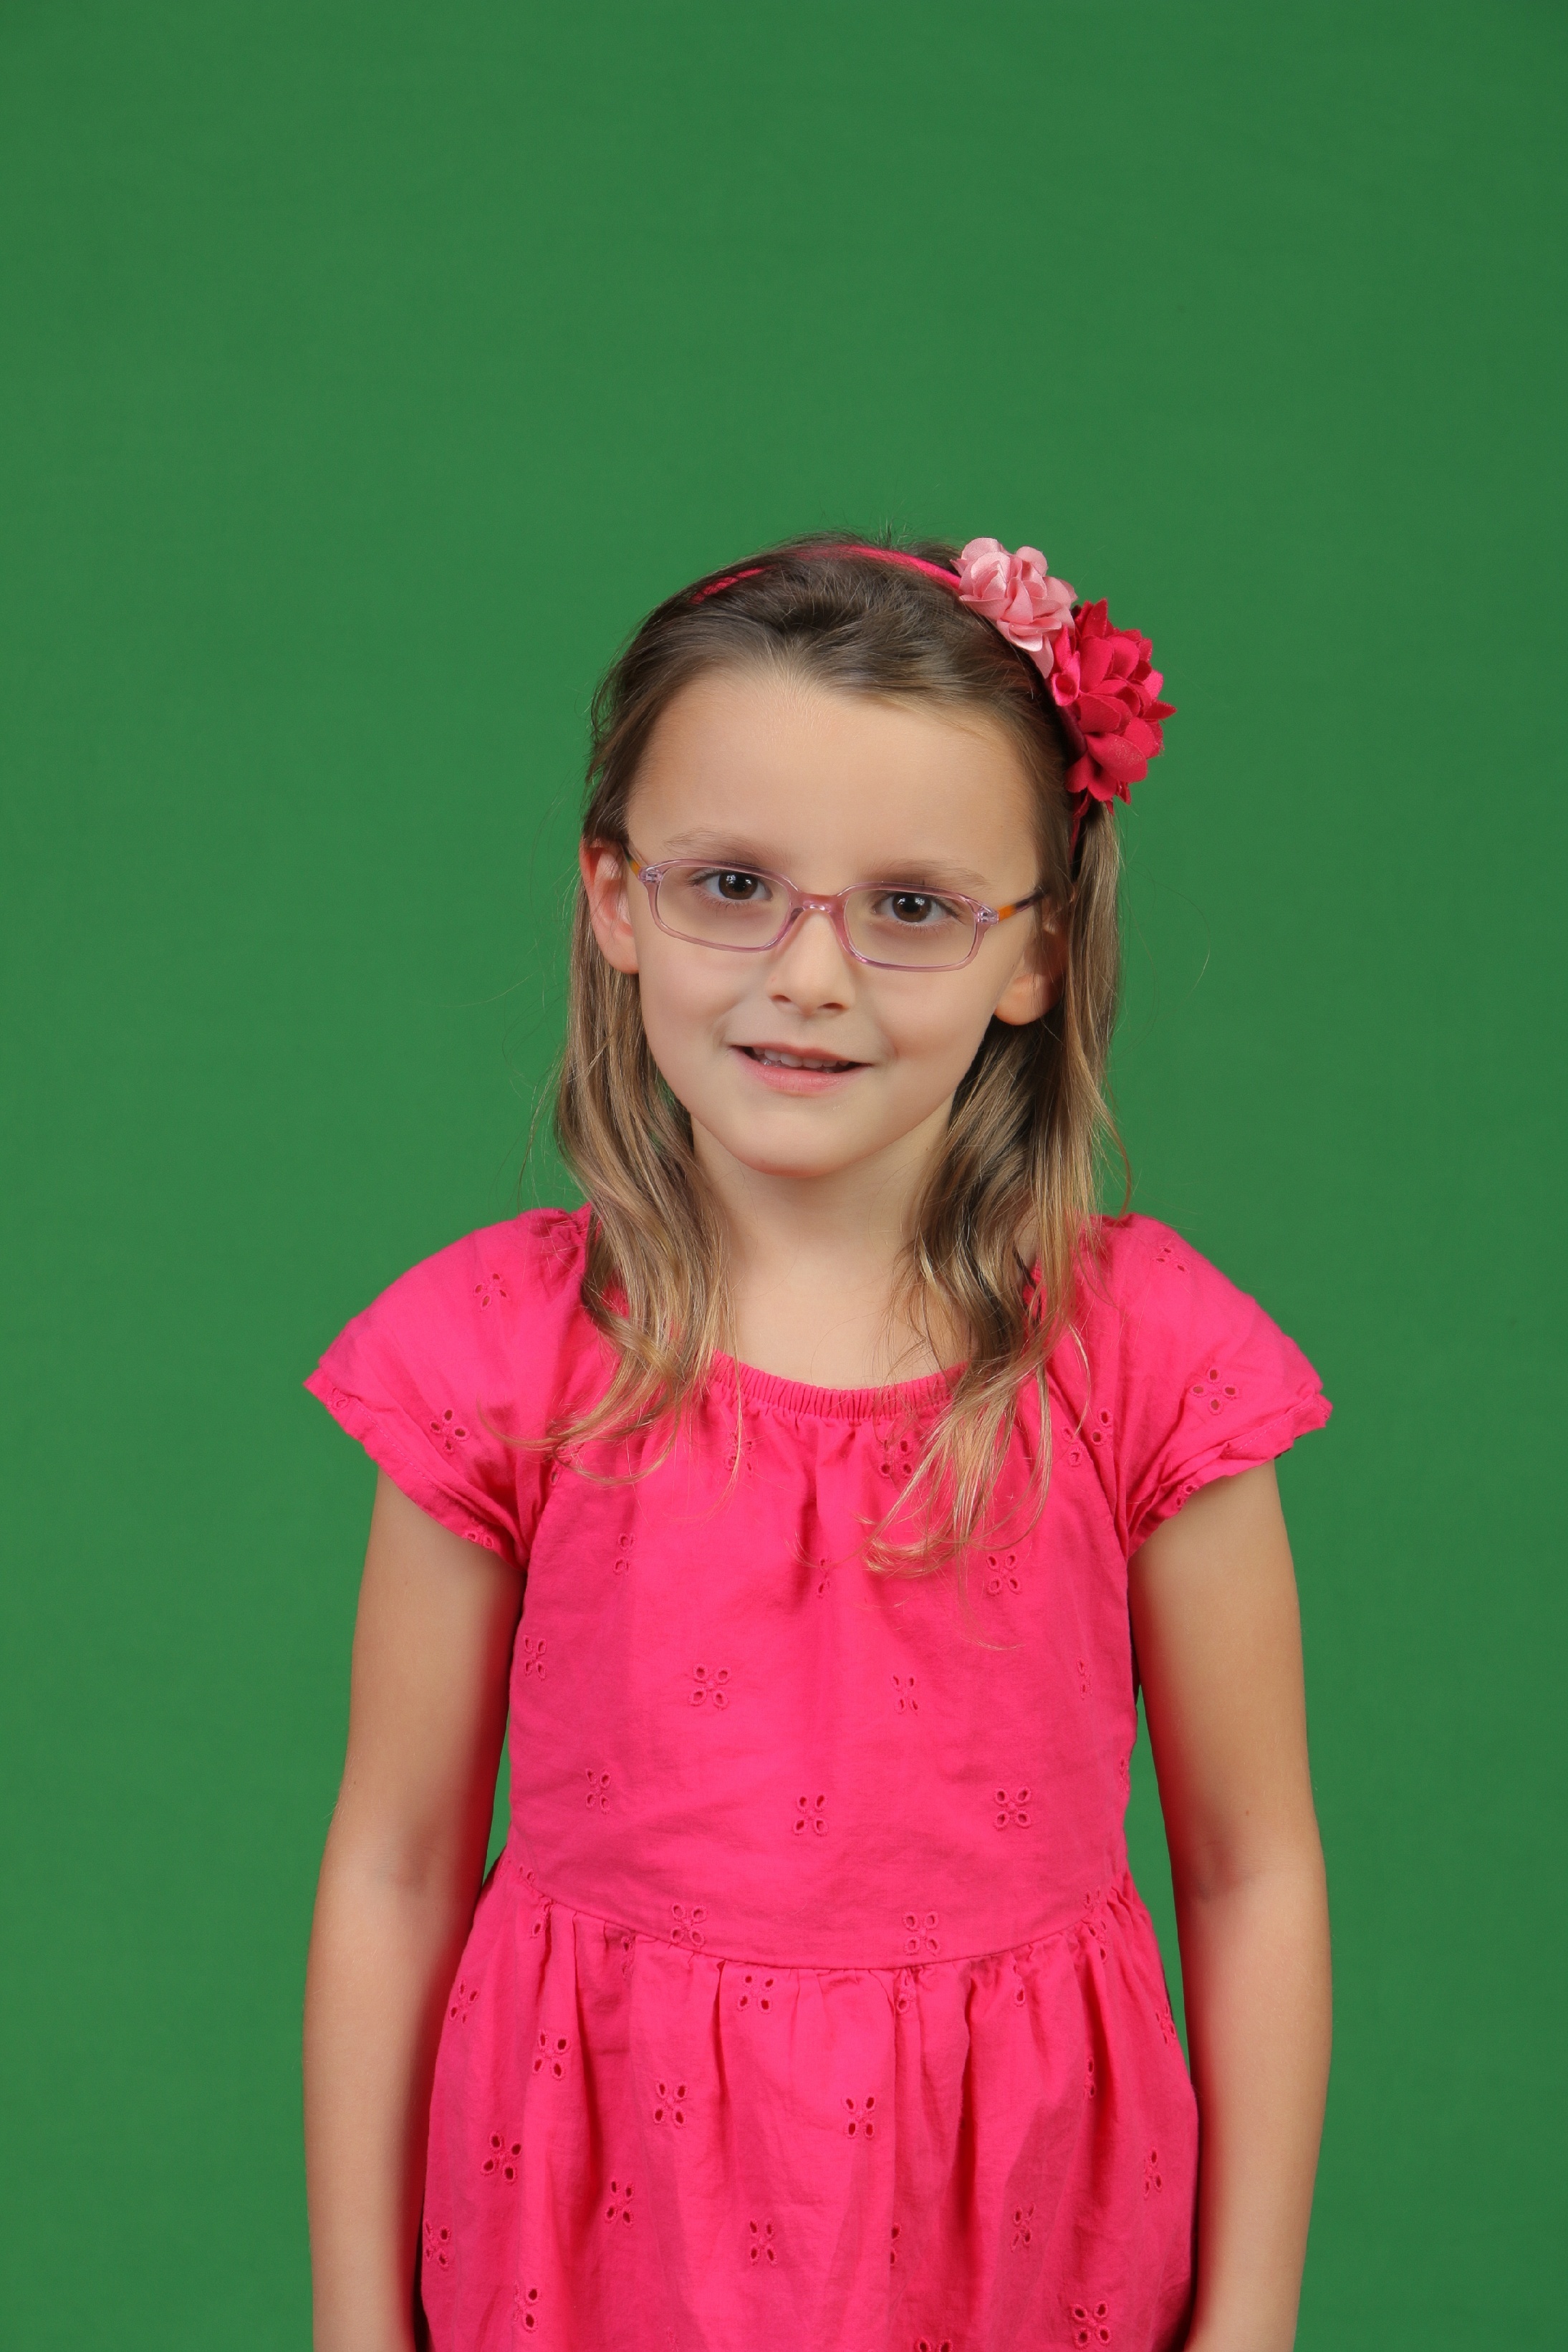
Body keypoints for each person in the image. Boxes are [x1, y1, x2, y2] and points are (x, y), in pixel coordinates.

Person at [302, 535, 1332, 2352]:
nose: (812, 975)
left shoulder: (1150, 1362)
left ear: (1038, 950)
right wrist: (351, 2324)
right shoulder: (495, 1355)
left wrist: (1249, 2326)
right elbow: (394, 1864)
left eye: (912, 905)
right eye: (733, 884)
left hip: (1024, 2236)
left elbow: (1252, 1871)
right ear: (614, 900)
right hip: (589, 2237)